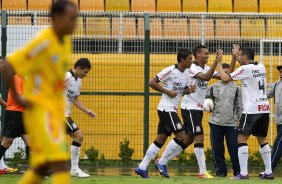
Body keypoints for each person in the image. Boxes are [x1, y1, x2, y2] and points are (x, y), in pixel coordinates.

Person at [0, 0, 78, 183]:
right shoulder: (43, 42)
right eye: (71, 19)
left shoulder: (65, 42)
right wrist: (18, 97)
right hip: (40, 111)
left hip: (54, 111)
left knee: (41, 168)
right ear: (57, 18)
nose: (75, 23)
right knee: (60, 164)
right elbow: (8, 65)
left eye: (76, 19)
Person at [135, 49, 196, 178]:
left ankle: (142, 167)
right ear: (182, 60)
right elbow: (152, 82)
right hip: (166, 109)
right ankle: (162, 162)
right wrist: (167, 91)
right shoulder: (169, 70)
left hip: (171, 109)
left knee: (160, 140)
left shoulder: (187, 72)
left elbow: (181, 90)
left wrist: (188, 90)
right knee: (182, 136)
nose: (192, 61)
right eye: (190, 59)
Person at [218, 46, 274, 179]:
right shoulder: (261, 66)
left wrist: (219, 63)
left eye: (240, 55)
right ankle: (269, 172)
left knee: (241, 138)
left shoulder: (245, 69)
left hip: (251, 109)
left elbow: (225, 79)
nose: (238, 57)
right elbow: (245, 70)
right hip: (264, 108)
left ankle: (243, 173)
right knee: (262, 139)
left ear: (244, 56)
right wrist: (236, 58)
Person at [180, 45, 223, 179]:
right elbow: (205, 77)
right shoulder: (193, 67)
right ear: (197, 54)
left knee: (188, 139)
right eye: (205, 53)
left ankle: (162, 161)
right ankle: (202, 171)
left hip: (197, 108)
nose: (208, 56)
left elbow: (224, 76)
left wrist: (233, 59)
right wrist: (216, 62)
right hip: (190, 107)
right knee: (199, 137)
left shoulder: (205, 68)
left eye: (208, 54)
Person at [206, 63, 242, 177]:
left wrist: (240, 121)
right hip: (215, 123)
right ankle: (220, 172)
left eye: (228, 73)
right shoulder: (212, 88)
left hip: (232, 124)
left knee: (234, 149)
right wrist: (207, 106)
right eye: (223, 72)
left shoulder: (237, 88)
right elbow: (207, 103)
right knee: (217, 150)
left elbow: (240, 106)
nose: (225, 75)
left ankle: (238, 172)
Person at [65, 58, 96, 177]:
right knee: (79, 136)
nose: (86, 75)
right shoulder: (66, 77)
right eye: (85, 72)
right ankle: (74, 169)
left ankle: (73, 169)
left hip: (65, 114)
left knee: (76, 137)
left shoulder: (78, 81)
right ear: (78, 68)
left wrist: (87, 111)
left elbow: (75, 99)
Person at [0, 74, 30, 174]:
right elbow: (19, 97)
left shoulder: (24, 78)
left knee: (30, 142)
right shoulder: (17, 78)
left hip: (22, 114)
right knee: (7, 142)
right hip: (14, 114)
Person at [267, 65, 282, 172]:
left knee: (278, 144)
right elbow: (265, 95)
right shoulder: (276, 85)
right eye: (280, 72)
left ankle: (269, 169)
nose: (281, 73)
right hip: (279, 120)